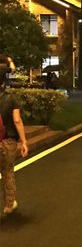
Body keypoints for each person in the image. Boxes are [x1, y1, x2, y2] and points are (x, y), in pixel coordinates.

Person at [0, 64, 28, 214]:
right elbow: (17, 120)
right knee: (7, 171)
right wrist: (23, 141)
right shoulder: (11, 98)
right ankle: (9, 204)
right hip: (7, 142)